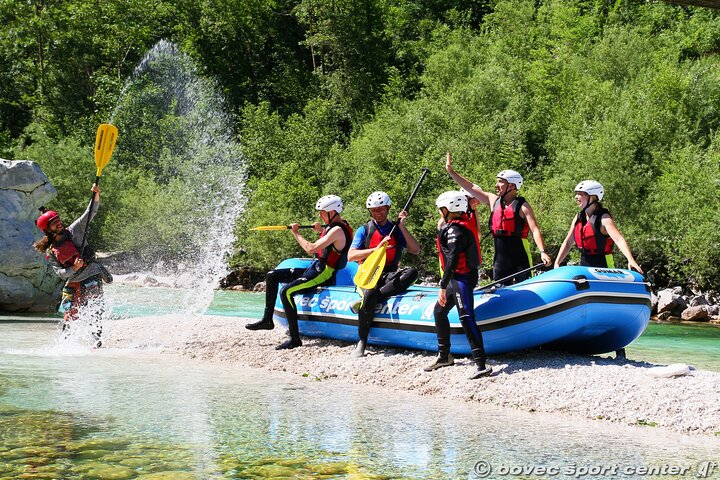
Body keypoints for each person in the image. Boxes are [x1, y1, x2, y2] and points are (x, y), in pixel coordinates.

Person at [246, 195, 354, 350]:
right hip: (316, 267)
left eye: (323, 212)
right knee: (272, 275)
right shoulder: (335, 226)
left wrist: (296, 233)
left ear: (333, 212)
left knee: (286, 291)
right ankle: (267, 320)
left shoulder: (337, 229)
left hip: (325, 273)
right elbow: (329, 242)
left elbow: (311, 249)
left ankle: (295, 339)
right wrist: (321, 230)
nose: (320, 215)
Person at [445, 152, 552, 284]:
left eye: (501, 182)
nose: (497, 185)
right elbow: (470, 187)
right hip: (500, 258)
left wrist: (542, 251)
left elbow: (535, 230)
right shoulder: (493, 200)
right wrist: (451, 172)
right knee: (500, 284)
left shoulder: (523, 207)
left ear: (512, 186)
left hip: (520, 254)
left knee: (525, 284)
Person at [33, 185, 112, 347]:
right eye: (54, 224)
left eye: (58, 221)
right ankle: (64, 346)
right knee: (70, 315)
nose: (59, 224)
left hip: (91, 274)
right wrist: (74, 269)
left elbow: (91, 212)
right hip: (74, 281)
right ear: (48, 231)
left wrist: (96, 194)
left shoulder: (74, 230)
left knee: (95, 310)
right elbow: (61, 274)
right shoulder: (51, 252)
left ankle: (96, 343)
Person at [424, 191, 492, 379]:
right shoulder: (458, 225)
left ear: (447, 209)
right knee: (439, 311)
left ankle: (481, 365)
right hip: (457, 278)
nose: (439, 212)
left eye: (441, 209)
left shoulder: (455, 230)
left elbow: (452, 260)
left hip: (461, 278)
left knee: (466, 316)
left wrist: (442, 285)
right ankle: (444, 356)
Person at [347, 191, 421, 358]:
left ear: (388, 209)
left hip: (388, 274)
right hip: (368, 273)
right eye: (374, 210)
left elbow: (415, 250)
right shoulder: (364, 230)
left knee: (412, 272)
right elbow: (351, 256)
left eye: (380, 209)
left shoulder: (396, 229)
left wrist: (402, 226)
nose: (377, 213)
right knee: (371, 291)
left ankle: (365, 302)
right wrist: (377, 249)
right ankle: (362, 341)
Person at [554, 181, 643, 273]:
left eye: (580, 194)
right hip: (585, 263)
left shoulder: (604, 218)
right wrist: (557, 262)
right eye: (576, 194)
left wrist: (631, 260)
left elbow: (618, 239)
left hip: (604, 264)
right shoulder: (578, 217)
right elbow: (568, 243)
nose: (576, 197)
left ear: (592, 197)